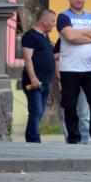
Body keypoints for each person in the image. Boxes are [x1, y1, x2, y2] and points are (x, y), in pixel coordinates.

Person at [57, 0, 91, 145]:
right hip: (69, 70)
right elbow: (70, 37)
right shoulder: (63, 16)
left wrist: (80, 32)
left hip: (89, 69)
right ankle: (74, 138)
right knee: (70, 106)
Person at [54, 39, 91, 144]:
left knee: (84, 114)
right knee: (69, 108)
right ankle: (71, 139)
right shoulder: (65, 37)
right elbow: (56, 58)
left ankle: (84, 141)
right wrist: (59, 74)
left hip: (87, 80)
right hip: (69, 78)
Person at [21, 9, 57, 143]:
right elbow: (28, 59)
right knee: (35, 111)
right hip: (34, 83)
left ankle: (31, 139)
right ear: (44, 21)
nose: (54, 24)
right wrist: (33, 78)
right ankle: (34, 140)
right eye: (53, 21)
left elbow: (47, 57)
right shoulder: (30, 36)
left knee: (39, 113)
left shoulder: (44, 37)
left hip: (45, 82)